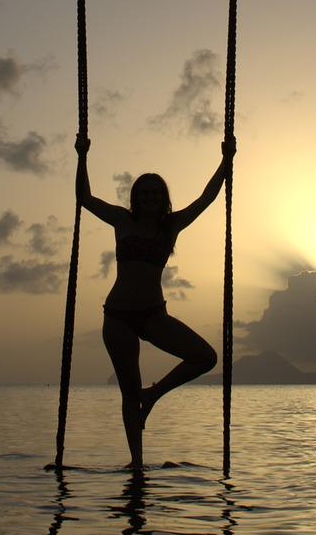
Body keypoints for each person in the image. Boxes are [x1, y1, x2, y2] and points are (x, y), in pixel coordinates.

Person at [75, 134, 236, 467]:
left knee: (205, 357)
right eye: (144, 192)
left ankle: (154, 394)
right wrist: (82, 155)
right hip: (118, 317)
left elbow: (207, 198)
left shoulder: (171, 226)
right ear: (136, 198)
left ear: (163, 198)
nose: (149, 197)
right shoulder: (122, 220)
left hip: (153, 315)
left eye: (155, 192)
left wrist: (226, 159)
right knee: (128, 393)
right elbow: (84, 198)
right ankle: (137, 462)